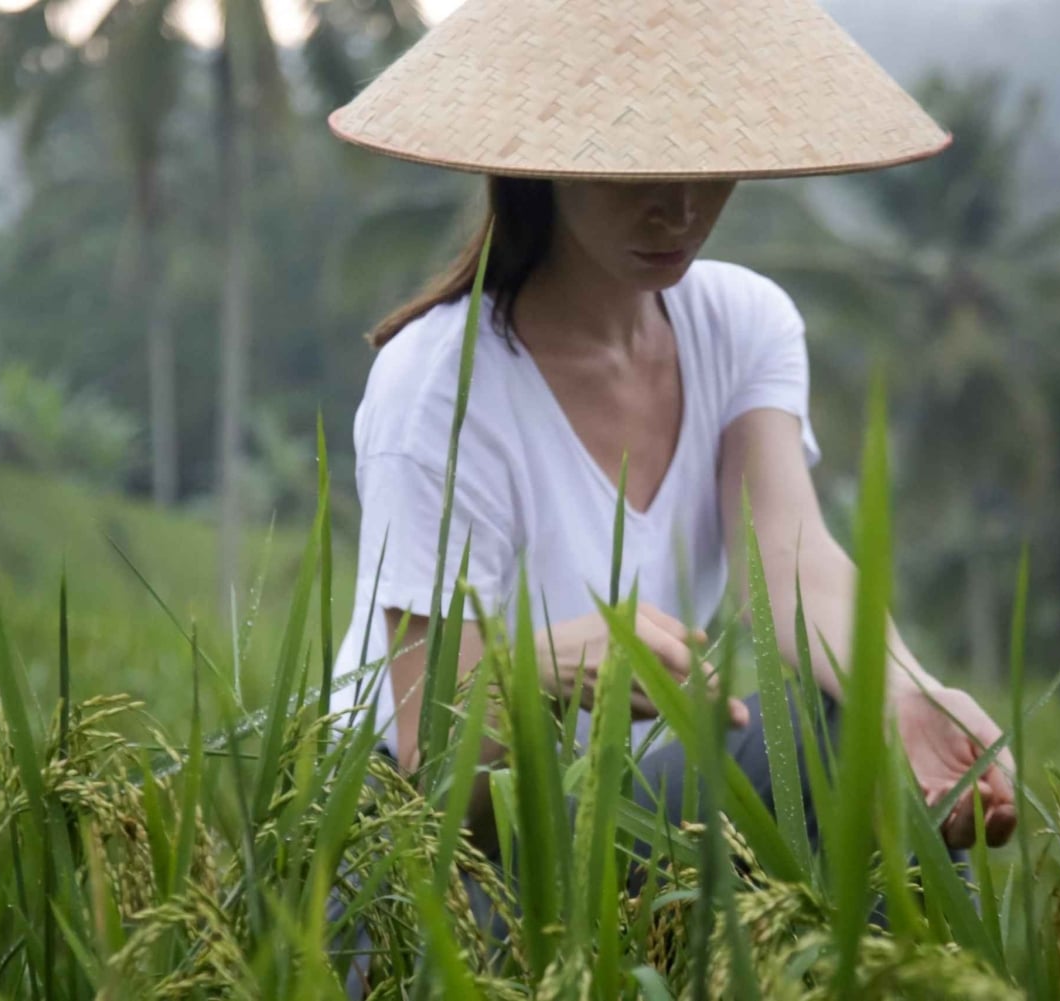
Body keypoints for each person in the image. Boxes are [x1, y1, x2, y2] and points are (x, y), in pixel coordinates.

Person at [324, 0, 1018, 865]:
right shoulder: (442, 383)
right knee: (820, 745)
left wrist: (904, 689)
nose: (680, 208)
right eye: (638, 167)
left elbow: (791, 555)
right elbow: (437, 770)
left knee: (876, 743)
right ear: (550, 160)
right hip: (412, 848)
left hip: (609, 809)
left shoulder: (744, 323)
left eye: (707, 162)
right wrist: (534, 672)